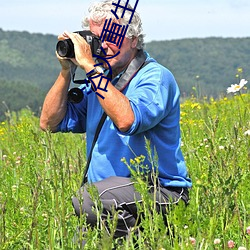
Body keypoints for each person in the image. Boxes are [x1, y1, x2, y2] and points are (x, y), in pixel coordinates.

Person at [40, 0, 192, 244]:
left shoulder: (154, 77)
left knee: (88, 199)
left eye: (112, 37)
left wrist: (89, 66)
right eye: (97, 38)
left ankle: (147, 241)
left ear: (134, 39)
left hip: (160, 192)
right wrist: (66, 70)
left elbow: (127, 120)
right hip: (110, 199)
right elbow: (49, 123)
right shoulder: (99, 81)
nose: (104, 46)